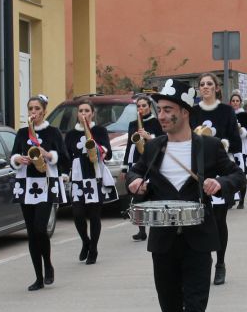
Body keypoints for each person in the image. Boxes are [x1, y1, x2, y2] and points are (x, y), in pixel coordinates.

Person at [126, 78, 245, 312]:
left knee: (194, 305)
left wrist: (220, 184)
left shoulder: (207, 146)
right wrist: (136, 183)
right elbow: (136, 171)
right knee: (169, 307)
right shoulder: (154, 147)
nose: (161, 116)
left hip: (197, 239)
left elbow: (236, 174)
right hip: (163, 240)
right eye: (159, 110)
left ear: (184, 111)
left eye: (167, 110)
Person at [10, 95, 69, 290]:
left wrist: (48, 154)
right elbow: (12, 156)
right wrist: (19, 159)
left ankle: (48, 265)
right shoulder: (22, 133)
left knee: (40, 229)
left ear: (44, 110)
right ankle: (38, 276)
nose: (33, 112)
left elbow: (64, 158)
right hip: (26, 184)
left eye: (36, 108)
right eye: (30, 109)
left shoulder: (53, 132)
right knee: (31, 233)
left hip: (47, 183)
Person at [190, 72, 242, 285]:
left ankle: (220, 263)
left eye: (209, 84)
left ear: (217, 87)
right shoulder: (192, 112)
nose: (205, 87)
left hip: (219, 167)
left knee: (219, 220)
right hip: (197, 170)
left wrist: (224, 144)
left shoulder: (226, 111)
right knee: (199, 219)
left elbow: (236, 140)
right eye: (202, 84)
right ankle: (203, 261)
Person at [64, 100, 117, 265]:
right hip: (79, 176)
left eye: (87, 111)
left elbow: (108, 153)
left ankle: (93, 248)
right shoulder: (71, 134)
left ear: (92, 113)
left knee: (94, 215)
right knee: (78, 213)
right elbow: (66, 156)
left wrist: (98, 148)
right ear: (77, 114)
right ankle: (85, 241)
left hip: (95, 173)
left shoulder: (99, 130)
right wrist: (65, 174)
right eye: (80, 111)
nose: (83, 114)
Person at [123, 95, 163, 241]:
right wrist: (124, 167)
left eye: (144, 106)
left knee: (150, 192)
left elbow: (163, 140)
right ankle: (141, 229)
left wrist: (148, 136)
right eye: (138, 106)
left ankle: (154, 225)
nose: (141, 109)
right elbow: (129, 145)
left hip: (152, 159)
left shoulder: (156, 122)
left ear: (149, 107)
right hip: (136, 160)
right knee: (137, 195)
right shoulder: (133, 124)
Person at [228, 92, 247, 209]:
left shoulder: (244, 115)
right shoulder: (227, 115)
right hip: (230, 148)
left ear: (240, 102)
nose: (235, 103)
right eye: (233, 101)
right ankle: (231, 199)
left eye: (237, 101)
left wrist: (241, 130)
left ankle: (241, 200)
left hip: (243, 147)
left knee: (241, 174)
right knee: (229, 174)